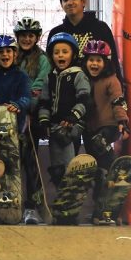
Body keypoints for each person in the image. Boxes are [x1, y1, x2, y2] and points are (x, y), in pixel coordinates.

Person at [37, 32, 91, 222]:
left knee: (69, 166)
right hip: (55, 126)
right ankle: (63, 205)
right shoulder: (50, 77)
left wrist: (73, 116)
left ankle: (71, 208)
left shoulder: (78, 75)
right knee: (57, 167)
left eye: (65, 52)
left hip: (72, 125)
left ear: (73, 54)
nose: (60, 55)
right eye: (56, 52)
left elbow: (85, 99)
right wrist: (43, 120)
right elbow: (44, 102)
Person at [80, 40, 130, 221]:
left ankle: (114, 167)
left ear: (106, 62)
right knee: (97, 170)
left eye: (98, 60)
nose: (94, 64)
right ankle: (99, 208)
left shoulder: (111, 80)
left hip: (109, 126)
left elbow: (118, 101)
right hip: (90, 129)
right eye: (91, 60)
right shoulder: (83, 79)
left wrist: (122, 121)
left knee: (99, 144)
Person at [0, 34, 31, 224]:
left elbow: (27, 97)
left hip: (14, 128)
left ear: (14, 53)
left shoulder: (21, 75)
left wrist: (19, 104)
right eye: (0, 52)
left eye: (8, 51)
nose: (5, 55)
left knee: (14, 168)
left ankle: (18, 205)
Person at [13, 16, 52, 224]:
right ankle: (9, 204)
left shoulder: (43, 59)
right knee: (11, 161)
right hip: (10, 116)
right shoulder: (11, 55)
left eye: (30, 36)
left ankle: (32, 206)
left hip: (31, 117)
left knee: (30, 162)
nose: (26, 39)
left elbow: (39, 86)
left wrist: (26, 104)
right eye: (23, 35)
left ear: (36, 37)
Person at [47, 0, 123, 84]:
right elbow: (50, 65)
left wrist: (119, 88)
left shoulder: (101, 28)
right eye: (65, 0)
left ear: (83, 1)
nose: (69, 2)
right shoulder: (56, 33)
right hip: (67, 90)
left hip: (97, 88)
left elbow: (113, 61)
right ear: (61, 5)